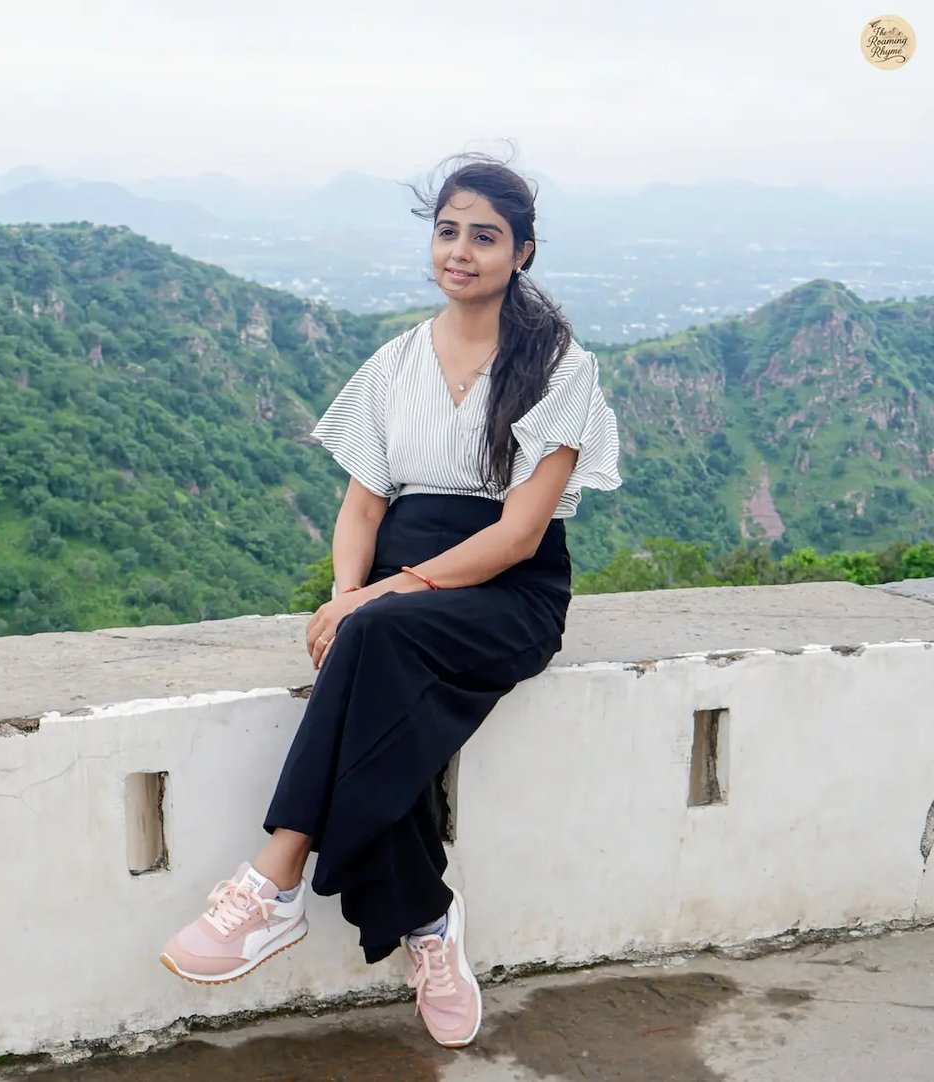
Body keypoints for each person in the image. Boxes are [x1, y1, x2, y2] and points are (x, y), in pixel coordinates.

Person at [158, 153, 622, 1049]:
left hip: (504, 591)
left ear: (522, 252)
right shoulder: (395, 362)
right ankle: (430, 925)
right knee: (376, 660)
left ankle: (274, 877)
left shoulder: (562, 368)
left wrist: (380, 596)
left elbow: (519, 535)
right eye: (447, 231)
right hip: (395, 589)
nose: (461, 251)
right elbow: (362, 505)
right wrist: (345, 597)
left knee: (381, 636)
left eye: (484, 236)